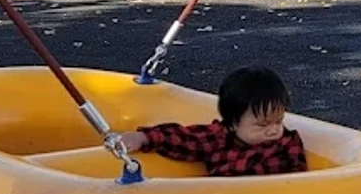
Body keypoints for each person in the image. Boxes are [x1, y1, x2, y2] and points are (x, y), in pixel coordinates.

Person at [121, 66, 308, 176]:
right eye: (263, 125)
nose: (274, 130)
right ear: (234, 123)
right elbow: (183, 139)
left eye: (279, 121)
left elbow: (301, 183)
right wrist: (143, 138)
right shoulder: (218, 138)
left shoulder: (287, 144)